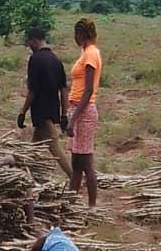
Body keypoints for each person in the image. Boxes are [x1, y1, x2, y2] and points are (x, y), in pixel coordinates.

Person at [17, 28, 72, 179]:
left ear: (34, 40)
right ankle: (25, 174)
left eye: (28, 42)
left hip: (41, 112)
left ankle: (74, 177)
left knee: (54, 146)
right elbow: (64, 90)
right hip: (52, 110)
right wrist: (63, 115)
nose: (28, 45)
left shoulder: (35, 59)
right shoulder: (55, 59)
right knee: (34, 146)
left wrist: (23, 112)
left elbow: (32, 91)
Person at [66, 17, 102, 209]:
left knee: (86, 162)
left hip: (84, 111)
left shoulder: (90, 54)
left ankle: (92, 206)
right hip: (79, 109)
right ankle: (71, 203)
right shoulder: (87, 53)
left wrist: (73, 118)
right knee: (76, 163)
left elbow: (88, 90)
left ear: (81, 34)